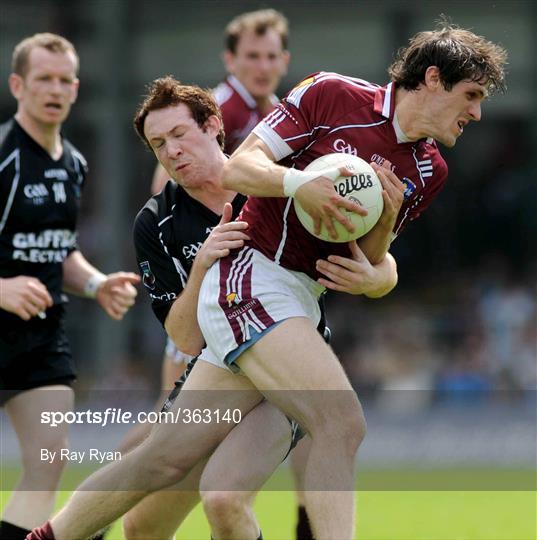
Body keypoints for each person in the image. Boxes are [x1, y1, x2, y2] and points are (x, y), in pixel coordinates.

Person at [27, 21, 506, 540]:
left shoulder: (430, 169)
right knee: (342, 424)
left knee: (163, 461)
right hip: (251, 273)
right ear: (432, 79)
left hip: (300, 300)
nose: (477, 112)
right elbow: (240, 169)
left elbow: (370, 257)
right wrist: (303, 184)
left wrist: (380, 249)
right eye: (471, 94)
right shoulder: (332, 94)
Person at [0, 33, 139, 539]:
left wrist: (98, 283)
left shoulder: (73, 164)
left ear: (76, 89)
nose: (54, 89)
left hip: (40, 336)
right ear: (18, 84)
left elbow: (60, 250)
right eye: (43, 79)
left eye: (64, 80)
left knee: (48, 463)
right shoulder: (4, 158)